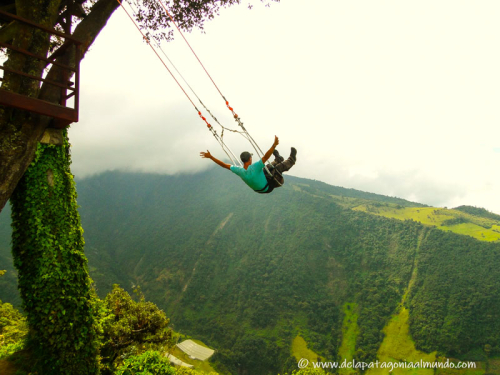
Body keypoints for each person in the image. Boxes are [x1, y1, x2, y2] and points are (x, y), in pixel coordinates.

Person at [200, 136, 297, 194]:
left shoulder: (239, 170)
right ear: (250, 159)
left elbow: (224, 165)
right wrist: (274, 145)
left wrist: (211, 157)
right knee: (277, 168)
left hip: (259, 188)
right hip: (268, 186)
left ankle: (277, 159)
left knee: (266, 168)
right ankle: (291, 160)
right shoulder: (255, 167)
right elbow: (265, 156)